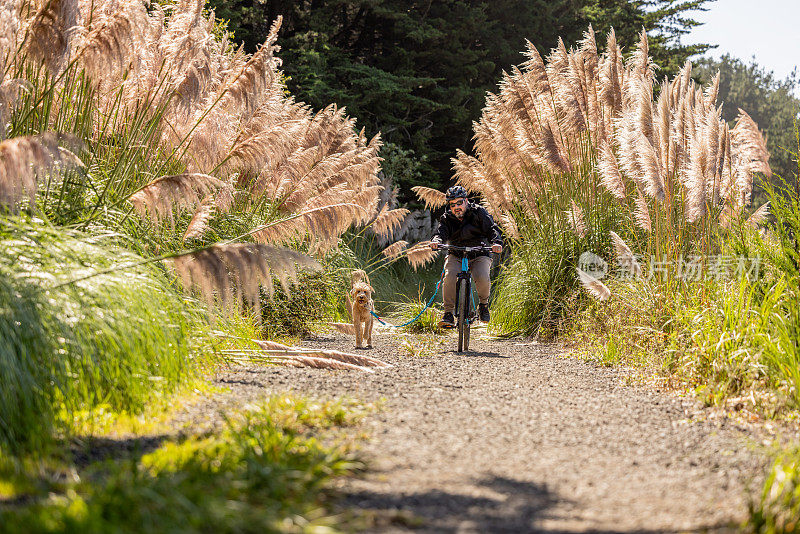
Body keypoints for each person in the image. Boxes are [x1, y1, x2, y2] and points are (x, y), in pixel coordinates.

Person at [429, 186, 503, 327]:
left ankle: (483, 306)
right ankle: (448, 314)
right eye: (452, 204)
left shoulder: (479, 212)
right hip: (456, 253)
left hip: (479, 253)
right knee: (450, 276)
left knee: (481, 276)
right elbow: (440, 233)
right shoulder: (446, 218)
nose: (456, 207)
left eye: (459, 203)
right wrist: (436, 241)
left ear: (466, 201)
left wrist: (496, 242)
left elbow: (492, 228)